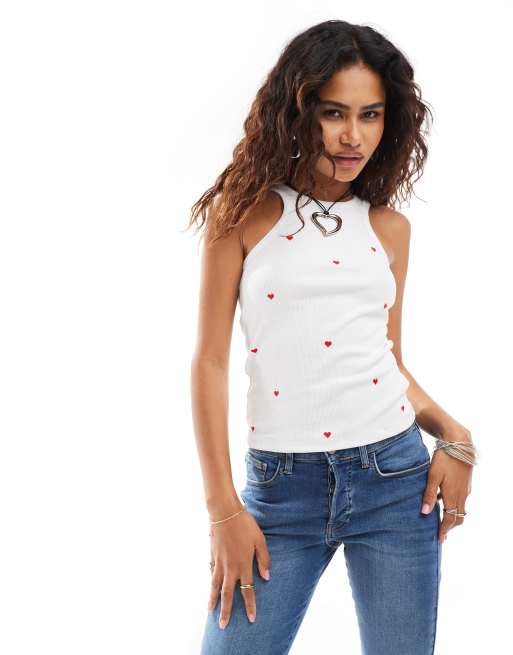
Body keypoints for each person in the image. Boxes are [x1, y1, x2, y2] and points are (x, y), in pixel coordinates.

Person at [187, 19, 477, 655]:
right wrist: (223, 510)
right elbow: (209, 362)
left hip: (394, 480)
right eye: (334, 113)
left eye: (370, 114)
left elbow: (387, 362)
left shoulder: (388, 229)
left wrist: (455, 436)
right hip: (281, 492)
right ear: (298, 114)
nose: (353, 136)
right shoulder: (242, 216)